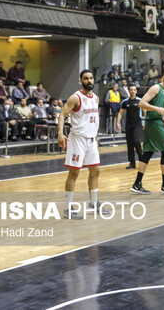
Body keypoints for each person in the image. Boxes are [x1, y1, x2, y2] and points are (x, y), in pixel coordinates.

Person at [57, 69, 106, 219]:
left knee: (95, 171)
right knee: (74, 172)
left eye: (91, 78)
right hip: (77, 139)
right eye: (86, 78)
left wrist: (96, 136)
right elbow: (62, 114)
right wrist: (60, 133)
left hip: (91, 139)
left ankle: (93, 202)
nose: (89, 81)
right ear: (81, 81)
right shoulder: (75, 98)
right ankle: (67, 208)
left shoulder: (96, 98)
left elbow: (93, 119)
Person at [130, 70, 164, 195]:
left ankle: (137, 183)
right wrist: (156, 108)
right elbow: (141, 103)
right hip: (153, 122)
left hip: (158, 122)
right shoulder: (156, 88)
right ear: (163, 78)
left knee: (147, 153)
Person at [117, 84, 143, 170]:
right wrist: (118, 123)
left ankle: (142, 160)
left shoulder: (140, 100)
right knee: (130, 144)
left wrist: (145, 122)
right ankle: (132, 163)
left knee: (136, 141)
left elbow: (145, 111)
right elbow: (120, 113)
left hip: (137, 124)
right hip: (128, 125)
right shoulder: (125, 102)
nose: (132, 91)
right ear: (129, 91)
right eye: (131, 89)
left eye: (134, 90)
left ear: (136, 91)